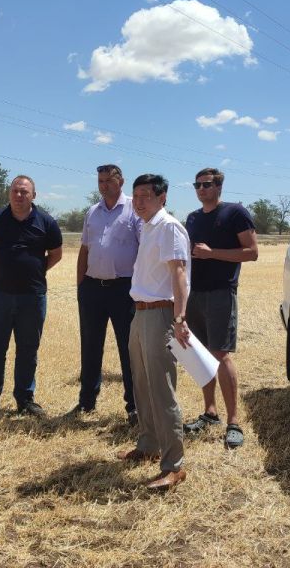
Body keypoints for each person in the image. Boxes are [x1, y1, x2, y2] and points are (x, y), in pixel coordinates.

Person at [116, 174, 191, 490]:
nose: (139, 201)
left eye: (146, 195)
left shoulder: (169, 227)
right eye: (135, 195)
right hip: (141, 312)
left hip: (161, 313)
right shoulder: (147, 227)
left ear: (163, 197)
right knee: (142, 384)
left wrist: (180, 318)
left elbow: (179, 274)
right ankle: (148, 444)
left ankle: (174, 465)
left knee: (161, 388)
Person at [0, 175, 62, 419]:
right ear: (9, 193)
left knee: (28, 350)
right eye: (15, 191)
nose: (19, 195)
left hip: (32, 298)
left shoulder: (46, 221)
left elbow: (56, 254)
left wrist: (35, 270)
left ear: (34, 195)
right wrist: (2, 270)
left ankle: (25, 400)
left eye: (24, 192)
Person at [182, 168, 257, 449]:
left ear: (219, 187)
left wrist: (212, 253)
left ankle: (233, 421)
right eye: (197, 184)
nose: (201, 189)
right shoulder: (192, 218)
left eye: (206, 184)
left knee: (221, 354)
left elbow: (252, 252)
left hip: (220, 292)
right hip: (194, 294)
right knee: (201, 355)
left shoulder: (235, 212)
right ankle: (210, 412)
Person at [72, 164, 143, 424]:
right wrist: (81, 286)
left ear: (121, 181)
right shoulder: (92, 211)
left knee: (129, 348)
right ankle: (86, 402)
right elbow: (84, 250)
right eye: (100, 181)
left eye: (108, 181)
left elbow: (144, 250)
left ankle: (133, 406)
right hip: (92, 288)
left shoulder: (134, 210)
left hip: (123, 290)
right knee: (90, 346)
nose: (103, 185)